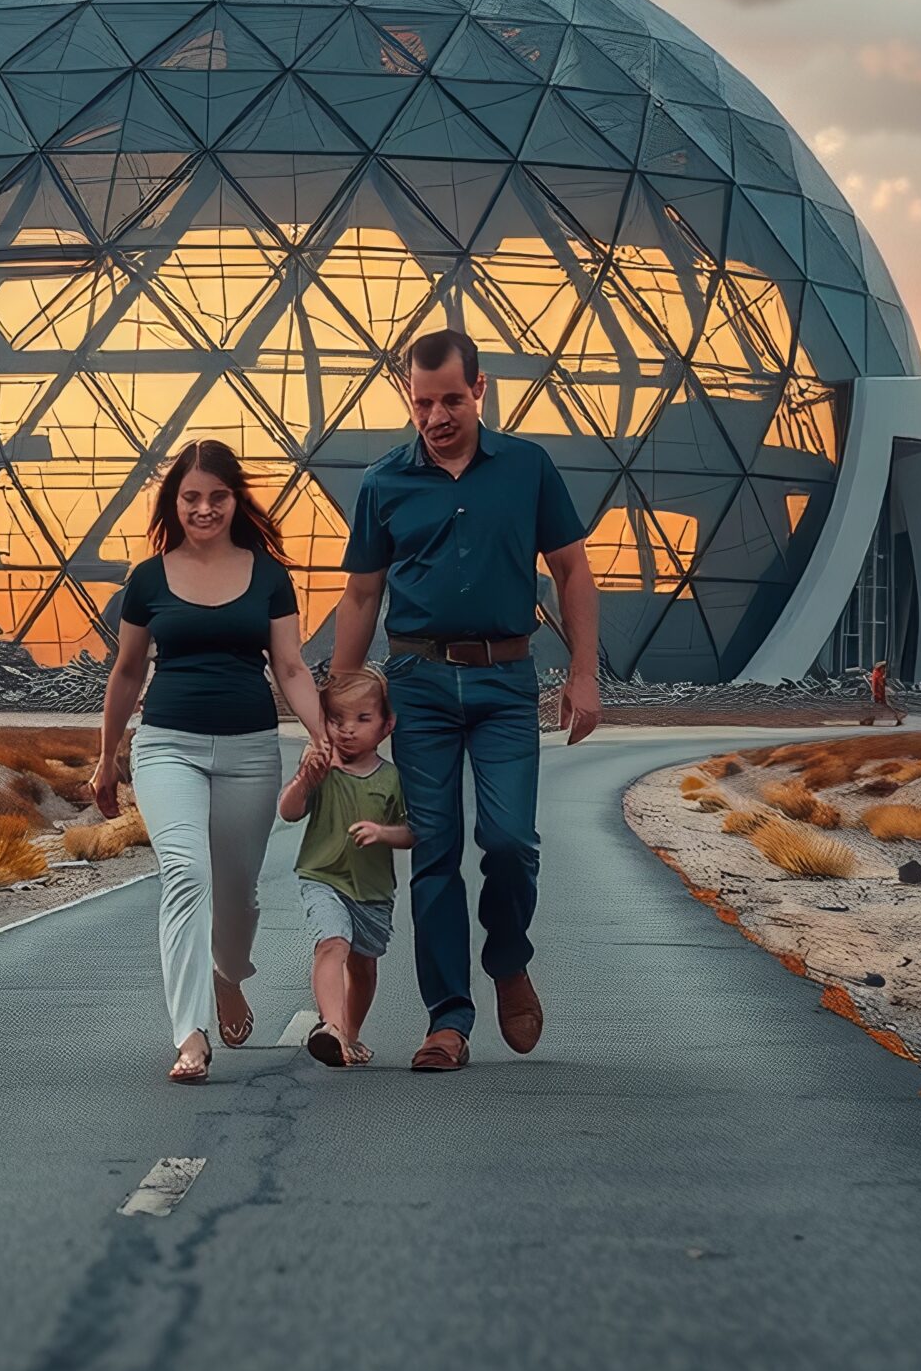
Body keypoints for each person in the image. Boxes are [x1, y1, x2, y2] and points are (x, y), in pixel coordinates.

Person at [327, 329, 599, 1074]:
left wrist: (583, 672)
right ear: (407, 398)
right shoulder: (385, 482)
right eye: (422, 402)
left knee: (510, 842)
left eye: (451, 399)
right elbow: (360, 594)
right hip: (416, 685)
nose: (437, 415)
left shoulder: (528, 468)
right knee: (434, 854)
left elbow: (572, 570)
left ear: (479, 390)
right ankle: (448, 1019)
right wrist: (335, 711)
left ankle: (508, 957)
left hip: (505, 682)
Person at [95, 440, 331, 1082]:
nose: (204, 509)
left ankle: (227, 974)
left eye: (217, 497)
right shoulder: (146, 579)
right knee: (185, 874)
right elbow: (125, 672)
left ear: (236, 500)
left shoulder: (269, 576)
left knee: (237, 895)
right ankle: (191, 1035)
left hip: (251, 750)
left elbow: (289, 666)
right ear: (174, 502)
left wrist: (320, 732)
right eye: (191, 497)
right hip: (167, 744)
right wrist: (106, 758)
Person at [280, 664, 410, 1069]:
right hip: (323, 877)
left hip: (372, 889)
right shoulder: (321, 768)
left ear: (387, 725)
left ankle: (349, 1034)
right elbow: (288, 811)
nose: (347, 729)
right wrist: (305, 779)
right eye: (336, 719)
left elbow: (413, 832)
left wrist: (383, 833)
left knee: (364, 963)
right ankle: (331, 1027)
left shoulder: (392, 779)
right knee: (332, 942)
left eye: (362, 719)